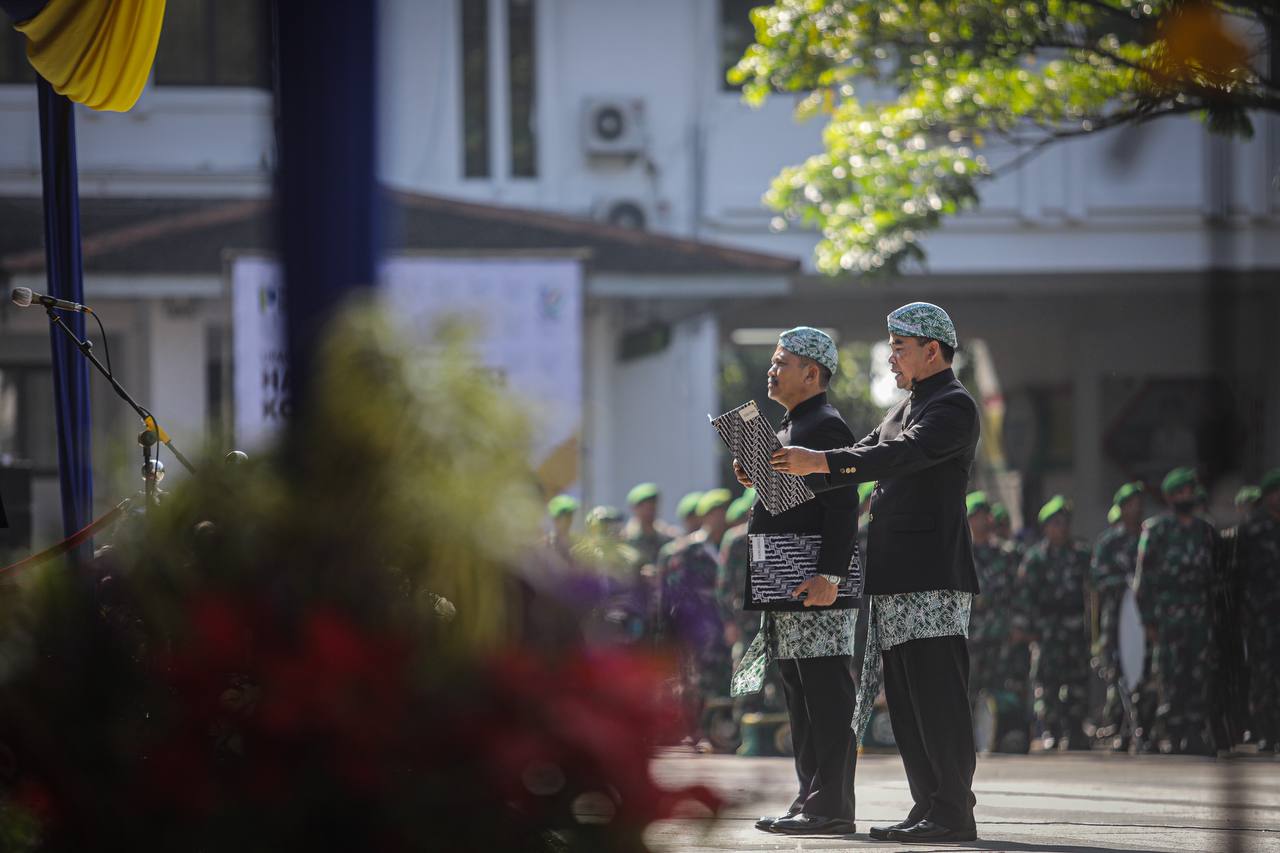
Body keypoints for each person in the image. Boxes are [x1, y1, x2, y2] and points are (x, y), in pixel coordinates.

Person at [770, 302, 979, 844]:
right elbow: (855, 457)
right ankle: (927, 805)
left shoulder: (952, 407)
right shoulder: (903, 408)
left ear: (932, 351)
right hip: (895, 579)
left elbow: (897, 457)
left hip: (932, 577)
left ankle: (953, 809)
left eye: (900, 348)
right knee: (907, 703)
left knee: (937, 698)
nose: (891, 357)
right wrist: (781, 468)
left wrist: (822, 462)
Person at [729, 328, 862, 836]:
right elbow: (797, 499)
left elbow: (842, 503)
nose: (771, 370)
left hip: (814, 586)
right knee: (800, 695)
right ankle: (811, 798)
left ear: (812, 374)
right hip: (787, 585)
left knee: (825, 695)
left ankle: (831, 805)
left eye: (782, 362)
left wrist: (830, 574)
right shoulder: (793, 425)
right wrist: (758, 476)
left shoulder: (825, 426)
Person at [1133, 467, 1218, 755]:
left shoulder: (1205, 531)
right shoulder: (1156, 530)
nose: (1186, 496)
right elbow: (1142, 581)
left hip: (1198, 617)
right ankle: (1173, 731)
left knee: (1198, 674)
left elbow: (1216, 579)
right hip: (1167, 618)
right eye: (1180, 492)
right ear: (1169, 497)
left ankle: (1194, 731)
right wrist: (1148, 622)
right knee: (1170, 676)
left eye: (1189, 491)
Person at [659, 488, 734, 749]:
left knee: (723, 676)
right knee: (694, 680)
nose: (721, 517)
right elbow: (675, 592)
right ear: (705, 515)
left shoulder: (729, 544)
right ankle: (696, 731)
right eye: (715, 512)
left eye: (724, 511)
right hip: (697, 626)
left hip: (723, 624)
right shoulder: (688, 550)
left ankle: (719, 730)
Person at [1020, 496, 1093, 751]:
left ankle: (1075, 730)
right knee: (1048, 681)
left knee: (1077, 680)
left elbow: (1092, 593)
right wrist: (1030, 630)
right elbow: (1026, 597)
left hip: (1074, 628)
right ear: (1046, 527)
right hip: (1047, 629)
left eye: (1065, 522)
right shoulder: (1036, 558)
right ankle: (1051, 729)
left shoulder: (1081, 555)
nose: (1061, 528)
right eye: (1056, 523)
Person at [1090, 482, 1145, 749]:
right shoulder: (1109, 542)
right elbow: (1097, 579)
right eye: (1130, 503)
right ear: (1121, 508)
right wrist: (1123, 581)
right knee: (1119, 674)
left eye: (1138, 502)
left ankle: (1144, 727)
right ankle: (1121, 728)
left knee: (1144, 672)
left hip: (1144, 619)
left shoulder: (1148, 537)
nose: (1136, 508)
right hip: (1116, 620)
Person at [965, 491, 1028, 709]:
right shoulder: (959, 553)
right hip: (968, 637)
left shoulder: (1007, 554)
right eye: (976, 515)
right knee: (966, 690)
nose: (982, 520)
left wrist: (1018, 624)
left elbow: (1019, 592)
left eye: (985, 514)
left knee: (999, 692)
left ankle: (995, 740)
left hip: (1000, 635)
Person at [1238, 469, 1280, 753]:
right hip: (1261, 617)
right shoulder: (1252, 529)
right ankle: (1267, 732)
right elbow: (1238, 577)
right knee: (1263, 676)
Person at [544, 494, 579, 562]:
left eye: (570, 515)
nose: (569, 520)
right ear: (555, 518)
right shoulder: (546, 544)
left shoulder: (578, 543)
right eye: (565, 516)